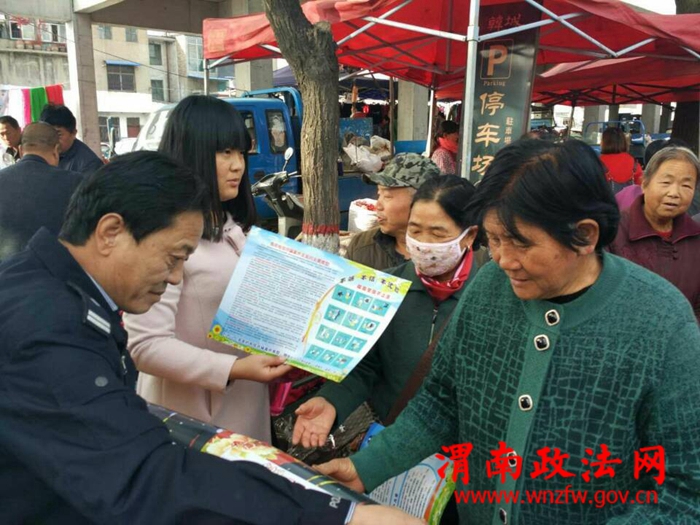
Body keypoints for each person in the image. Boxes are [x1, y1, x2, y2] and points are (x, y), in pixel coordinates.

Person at [0, 150, 419, 525]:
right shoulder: (47, 330)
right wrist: (336, 514)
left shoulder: (52, 292)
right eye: (173, 257)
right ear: (111, 232)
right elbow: (143, 478)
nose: (175, 277)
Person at [315, 139, 700, 524]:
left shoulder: (661, 323)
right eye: (494, 239)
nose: (502, 259)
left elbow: (683, 492)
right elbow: (441, 400)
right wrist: (367, 467)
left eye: (519, 243)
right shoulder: (488, 289)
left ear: (584, 235)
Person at [124, 95, 290, 441]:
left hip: (245, 409)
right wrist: (233, 368)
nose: (238, 165)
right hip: (192, 420)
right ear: (192, 152)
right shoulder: (165, 236)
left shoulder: (229, 225)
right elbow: (145, 345)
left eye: (241, 152)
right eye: (225, 152)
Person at [293, 175, 479, 450]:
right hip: (391, 445)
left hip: (462, 451)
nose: (424, 243)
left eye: (438, 234)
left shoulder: (489, 296)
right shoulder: (384, 289)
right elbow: (365, 365)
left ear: (469, 236)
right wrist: (331, 401)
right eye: (415, 230)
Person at [608, 146, 700, 322]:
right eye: (666, 182)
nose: (674, 193)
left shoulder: (696, 237)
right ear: (644, 183)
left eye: (686, 185)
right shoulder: (612, 232)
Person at [0, 122, 83, 261]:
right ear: (56, 150)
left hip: (5, 270)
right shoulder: (76, 182)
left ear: (21, 150)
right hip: (56, 269)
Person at [345, 153, 441, 270]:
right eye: (379, 194)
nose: (378, 206)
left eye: (387, 196)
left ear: (421, 200)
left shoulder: (448, 251)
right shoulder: (360, 247)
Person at [40, 103, 104, 173]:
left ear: (73, 133)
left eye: (58, 134)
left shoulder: (89, 164)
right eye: (47, 134)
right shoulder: (40, 155)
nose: (52, 140)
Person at [599, 126, 643, 194]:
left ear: (604, 142)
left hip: (605, 200)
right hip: (630, 200)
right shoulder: (634, 163)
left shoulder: (597, 163)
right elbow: (641, 187)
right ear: (623, 142)